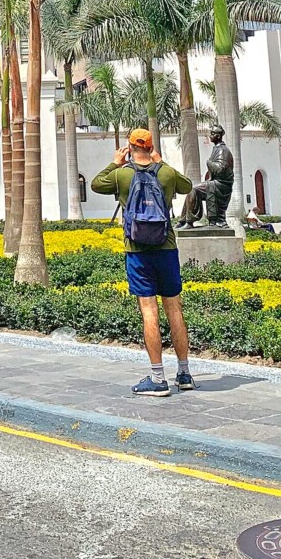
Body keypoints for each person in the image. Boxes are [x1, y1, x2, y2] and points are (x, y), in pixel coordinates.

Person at [90, 128, 193, 396]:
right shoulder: (165, 173)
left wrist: (116, 161)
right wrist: (160, 162)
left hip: (137, 250)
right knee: (174, 309)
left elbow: (96, 184)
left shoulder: (122, 174)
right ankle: (184, 374)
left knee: (149, 311)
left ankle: (158, 379)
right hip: (166, 246)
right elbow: (187, 186)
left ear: (129, 147)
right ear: (150, 146)